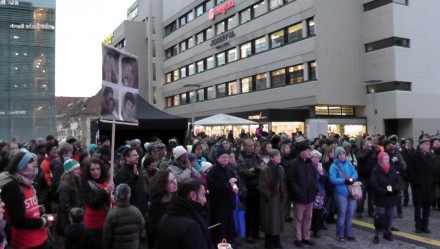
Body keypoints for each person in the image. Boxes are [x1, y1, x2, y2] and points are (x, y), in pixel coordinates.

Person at [1, 151, 52, 249]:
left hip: (41, 239)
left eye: (34, 162)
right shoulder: (12, 187)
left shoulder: (29, 183)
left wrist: (42, 215)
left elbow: (31, 211)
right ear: (20, 167)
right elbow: (18, 220)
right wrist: (42, 222)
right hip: (26, 243)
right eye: (29, 162)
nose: (34, 164)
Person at [155, 178, 211, 249]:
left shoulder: (165, 217)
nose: (205, 200)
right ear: (193, 195)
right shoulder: (191, 227)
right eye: (203, 195)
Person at [207, 144, 239, 247]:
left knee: (230, 224)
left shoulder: (230, 169)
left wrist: (235, 188)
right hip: (218, 204)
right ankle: (221, 244)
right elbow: (214, 188)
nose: (225, 159)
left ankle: (230, 242)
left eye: (227, 157)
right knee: (221, 226)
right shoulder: (212, 172)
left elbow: (234, 182)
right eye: (223, 157)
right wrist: (228, 185)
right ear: (217, 158)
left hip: (229, 202)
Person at [286, 142, 317, 247]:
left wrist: (315, 188)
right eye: (307, 151)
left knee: (308, 217)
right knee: (299, 218)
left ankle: (306, 237)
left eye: (309, 151)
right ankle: (298, 238)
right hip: (300, 196)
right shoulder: (293, 164)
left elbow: (314, 177)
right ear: (301, 152)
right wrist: (297, 191)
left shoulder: (310, 163)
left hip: (310, 195)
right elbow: (291, 180)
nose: (309, 152)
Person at [80, 158, 113, 249]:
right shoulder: (85, 184)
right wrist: (106, 192)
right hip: (94, 225)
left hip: (107, 222)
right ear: (88, 171)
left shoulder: (107, 181)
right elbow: (92, 203)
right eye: (92, 170)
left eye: (98, 169)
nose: (96, 172)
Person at [236, 138, 264, 243]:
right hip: (248, 188)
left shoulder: (258, 156)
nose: (251, 147)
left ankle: (256, 233)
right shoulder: (241, 158)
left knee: (257, 212)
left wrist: (254, 170)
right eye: (249, 145)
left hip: (258, 187)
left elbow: (263, 169)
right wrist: (256, 171)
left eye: (252, 145)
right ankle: (248, 234)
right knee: (249, 212)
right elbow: (244, 173)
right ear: (244, 146)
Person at [370, 152, 402, 244]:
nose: (387, 160)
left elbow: (398, 180)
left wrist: (395, 188)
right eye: (385, 159)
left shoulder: (392, 168)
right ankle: (377, 234)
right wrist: (383, 191)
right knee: (380, 217)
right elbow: (374, 183)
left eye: (388, 158)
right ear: (380, 160)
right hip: (381, 197)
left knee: (390, 216)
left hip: (391, 196)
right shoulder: (376, 170)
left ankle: (387, 232)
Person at [329, 147, 359, 242]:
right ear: (337, 155)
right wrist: (344, 181)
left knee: (350, 214)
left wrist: (352, 179)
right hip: (340, 192)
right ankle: (340, 234)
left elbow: (355, 173)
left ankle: (349, 234)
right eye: (340, 154)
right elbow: (332, 179)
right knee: (342, 214)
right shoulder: (333, 166)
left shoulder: (349, 163)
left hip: (351, 191)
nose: (342, 156)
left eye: (343, 154)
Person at [103, 183, 145, 249]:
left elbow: (107, 237)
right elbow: (141, 227)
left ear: (116, 196)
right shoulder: (137, 211)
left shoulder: (111, 214)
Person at [408, 138, 436, 233]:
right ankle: (418, 226)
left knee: (427, 208)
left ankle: (425, 226)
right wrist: (416, 181)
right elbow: (410, 171)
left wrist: (432, 181)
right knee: (418, 208)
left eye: (429, 144)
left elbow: (433, 171)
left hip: (428, 187)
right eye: (426, 144)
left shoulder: (431, 157)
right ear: (421, 145)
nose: (428, 146)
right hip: (418, 187)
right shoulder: (415, 156)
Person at [259, 149, 285, 249]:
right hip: (270, 198)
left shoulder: (281, 169)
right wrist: (269, 195)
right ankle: (269, 242)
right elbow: (263, 186)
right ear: (271, 157)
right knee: (269, 220)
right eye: (277, 156)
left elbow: (283, 183)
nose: (280, 158)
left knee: (277, 220)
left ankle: (276, 241)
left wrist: (283, 193)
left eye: (280, 156)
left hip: (278, 197)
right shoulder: (265, 169)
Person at [55, 158, 83, 249]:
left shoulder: (74, 182)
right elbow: (64, 206)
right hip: (68, 221)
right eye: (76, 169)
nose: (78, 170)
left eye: (78, 168)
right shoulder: (65, 186)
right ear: (70, 171)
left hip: (73, 219)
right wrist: (75, 214)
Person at [145, 170, 178, 248]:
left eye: (174, 179)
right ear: (163, 185)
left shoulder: (176, 197)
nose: (175, 182)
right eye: (170, 182)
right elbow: (153, 229)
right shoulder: (158, 203)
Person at [310, 150, 328, 238]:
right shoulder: (309, 166)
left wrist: (321, 173)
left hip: (319, 192)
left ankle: (316, 230)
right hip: (311, 191)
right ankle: (310, 228)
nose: (317, 159)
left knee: (318, 212)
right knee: (310, 212)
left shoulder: (321, 167)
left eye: (318, 157)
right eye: (315, 157)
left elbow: (325, 179)